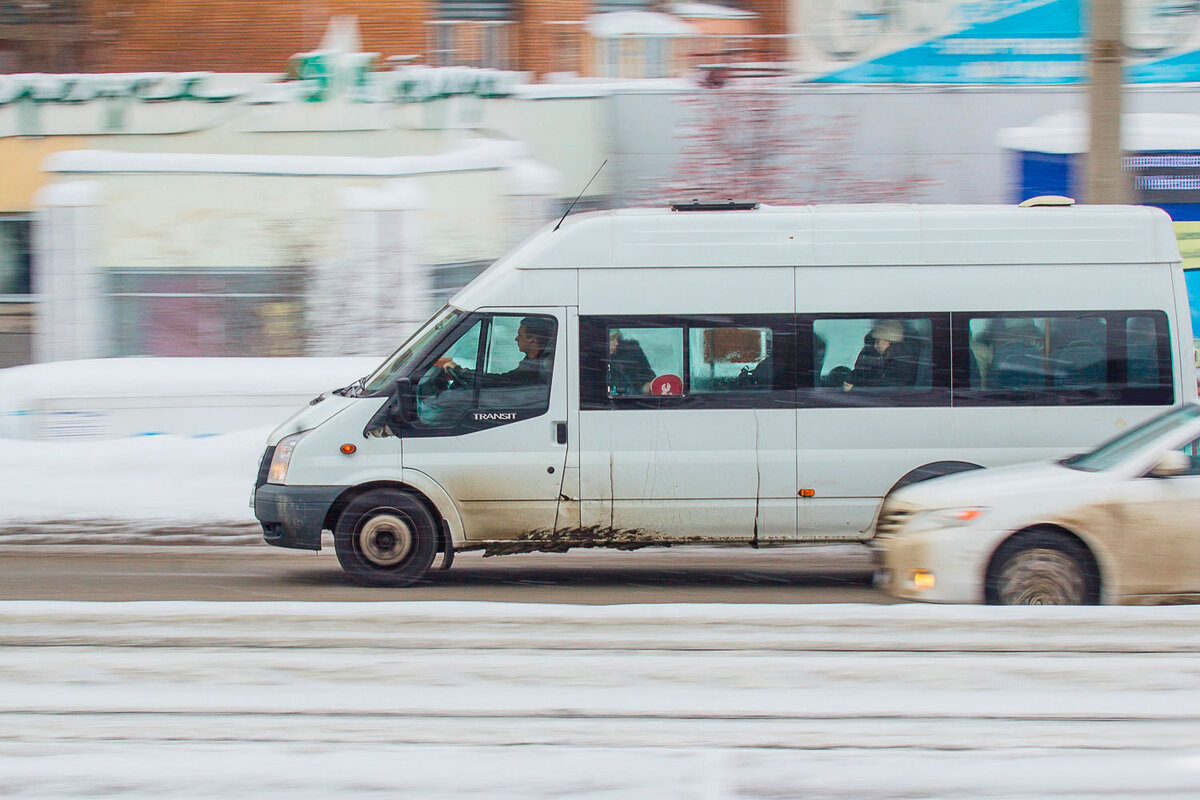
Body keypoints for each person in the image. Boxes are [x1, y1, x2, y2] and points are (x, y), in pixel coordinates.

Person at [435, 316, 555, 387]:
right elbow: (504, 380)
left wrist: (460, 371)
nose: (516, 339)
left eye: (520, 335)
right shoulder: (531, 361)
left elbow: (500, 382)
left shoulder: (540, 367)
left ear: (533, 341)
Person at [843, 319, 918, 390]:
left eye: (878, 341)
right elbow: (860, 373)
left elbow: (887, 390)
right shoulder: (872, 354)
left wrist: (855, 389)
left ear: (890, 341)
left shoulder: (902, 364)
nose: (875, 346)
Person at [607, 329, 656, 396]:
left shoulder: (632, 354)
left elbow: (647, 377)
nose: (616, 343)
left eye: (617, 338)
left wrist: (647, 388)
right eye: (612, 339)